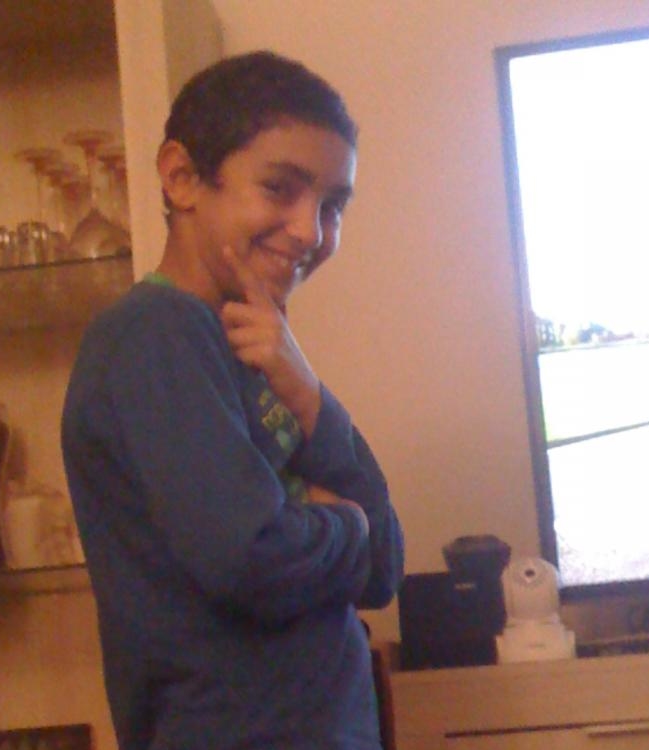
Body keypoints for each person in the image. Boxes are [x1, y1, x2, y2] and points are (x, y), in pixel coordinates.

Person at [61, 50, 404, 750]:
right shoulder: (153, 334)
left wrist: (310, 397)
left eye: (332, 206)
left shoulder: (257, 346)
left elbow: (385, 569)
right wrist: (349, 528)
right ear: (182, 177)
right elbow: (252, 558)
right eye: (280, 188)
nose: (311, 230)